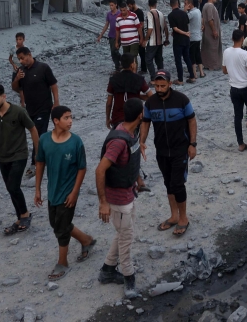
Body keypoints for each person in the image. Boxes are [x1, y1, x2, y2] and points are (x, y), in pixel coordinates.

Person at [34, 106, 94, 281]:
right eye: (66, 118)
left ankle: (62, 263)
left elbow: (82, 169)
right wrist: (37, 189)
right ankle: (86, 241)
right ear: (56, 121)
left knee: (61, 228)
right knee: (57, 223)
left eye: (71, 117)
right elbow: (39, 163)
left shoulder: (76, 142)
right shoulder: (44, 140)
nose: (70, 121)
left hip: (68, 194)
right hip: (52, 192)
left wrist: (74, 192)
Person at [95, 97, 144, 296]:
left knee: (123, 233)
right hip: (118, 200)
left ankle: (107, 270)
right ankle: (128, 277)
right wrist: (103, 203)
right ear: (140, 115)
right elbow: (100, 171)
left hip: (128, 193)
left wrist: (138, 180)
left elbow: (132, 158)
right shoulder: (118, 141)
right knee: (127, 237)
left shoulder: (131, 132)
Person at [141, 70, 197, 237]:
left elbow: (192, 120)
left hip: (180, 148)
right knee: (168, 182)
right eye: (156, 85)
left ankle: (184, 218)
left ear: (170, 84)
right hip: (162, 149)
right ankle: (173, 216)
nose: (159, 89)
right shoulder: (150, 103)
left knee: (178, 183)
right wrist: (142, 141)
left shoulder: (181, 99)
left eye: (162, 85)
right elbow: (145, 122)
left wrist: (193, 144)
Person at [0, 83, 39, 235]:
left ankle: (25, 215)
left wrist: (37, 153)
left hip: (19, 154)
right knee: (10, 188)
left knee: (13, 186)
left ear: (4, 97)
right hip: (2, 156)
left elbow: (32, 129)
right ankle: (20, 218)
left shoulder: (18, 111)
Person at [12, 46, 60, 138]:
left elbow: (53, 85)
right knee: (35, 133)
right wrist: (17, 79)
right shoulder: (21, 71)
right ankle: (43, 150)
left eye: (22, 58)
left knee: (39, 133)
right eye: (19, 59)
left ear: (29, 54)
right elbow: (16, 88)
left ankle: (37, 152)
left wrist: (56, 102)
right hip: (30, 109)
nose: (21, 61)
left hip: (44, 107)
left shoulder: (43, 67)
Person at [223, 29, 247, 151]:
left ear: (232, 39)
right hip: (246, 87)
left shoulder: (226, 52)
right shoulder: (246, 54)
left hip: (234, 88)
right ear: (243, 39)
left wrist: (235, 70)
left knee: (237, 115)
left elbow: (224, 70)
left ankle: (240, 143)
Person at [106, 54, 152, 127]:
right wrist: (138, 96)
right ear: (132, 65)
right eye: (135, 62)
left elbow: (109, 103)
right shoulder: (139, 79)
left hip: (117, 118)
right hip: (134, 118)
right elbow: (151, 96)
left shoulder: (113, 79)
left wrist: (108, 118)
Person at [167, 0, 195, 84]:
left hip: (178, 40)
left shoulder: (171, 15)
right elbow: (186, 23)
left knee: (178, 60)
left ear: (170, 5)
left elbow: (175, 28)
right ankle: (192, 76)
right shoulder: (184, 13)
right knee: (187, 58)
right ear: (178, 4)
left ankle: (180, 79)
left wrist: (183, 33)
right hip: (186, 40)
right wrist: (186, 33)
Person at [144, 0, 168, 79]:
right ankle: (161, 76)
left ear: (149, 4)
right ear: (156, 4)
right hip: (160, 41)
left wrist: (145, 39)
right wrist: (167, 38)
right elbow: (166, 28)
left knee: (148, 59)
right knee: (159, 59)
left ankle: (153, 77)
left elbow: (150, 28)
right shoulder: (161, 13)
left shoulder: (149, 13)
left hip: (152, 41)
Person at [97, 0, 122, 72]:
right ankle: (117, 67)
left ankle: (124, 61)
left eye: (112, 5)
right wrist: (101, 35)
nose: (111, 7)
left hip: (118, 36)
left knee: (115, 51)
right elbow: (106, 25)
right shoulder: (109, 14)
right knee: (112, 53)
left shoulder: (120, 14)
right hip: (111, 35)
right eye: (110, 5)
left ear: (116, 5)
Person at [201, 0, 223, 72]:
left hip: (207, 31)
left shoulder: (205, 5)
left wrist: (203, 25)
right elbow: (210, 20)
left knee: (207, 48)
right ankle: (213, 65)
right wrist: (214, 30)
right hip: (211, 32)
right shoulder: (210, 6)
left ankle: (206, 64)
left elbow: (203, 18)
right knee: (213, 48)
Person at [185, 0, 204, 79]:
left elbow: (184, 19)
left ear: (190, 4)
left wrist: (185, 10)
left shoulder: (191, 13)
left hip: (192, 37)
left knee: (192, 56)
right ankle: (201, 72)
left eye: (186, 4)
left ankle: (194, 73)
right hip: (198, 36)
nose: (184, 5)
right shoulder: (198, 11)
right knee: (198, 54)